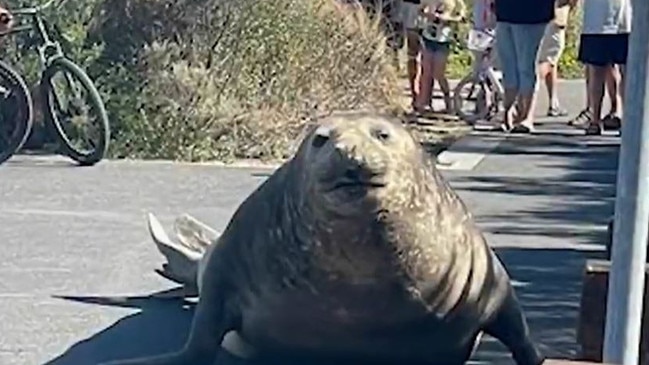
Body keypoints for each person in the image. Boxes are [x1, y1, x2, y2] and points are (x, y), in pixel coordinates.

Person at [493, 0, 555, 133]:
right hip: (504, 12)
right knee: (508, 68)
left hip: (532, 15)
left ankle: (527, 116)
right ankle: (508, 113)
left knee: (526, 66)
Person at [577, 0, 632, 135]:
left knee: (627, 71)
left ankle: (627, 120)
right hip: (596, 23)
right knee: (596, 71)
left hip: (625, 22)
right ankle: (595, 119)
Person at [413, 0, 466, 114]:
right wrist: (427, 15)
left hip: (443, 39)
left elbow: (461, 16)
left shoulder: (455, 2)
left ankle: (448, 101)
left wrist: (448, 20)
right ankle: (423, 103)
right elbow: (420, 10)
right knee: (426, 72)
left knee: (438, 73)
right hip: (428, 38)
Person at [536, 0, 572, 117]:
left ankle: (553, 102)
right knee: (548, 61)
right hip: (554, 16)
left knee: (551, 59)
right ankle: (524, 91)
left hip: (540, 16)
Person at [396, 0, 424, 108]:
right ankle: (415, 94)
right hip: (409, 9)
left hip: (429, 8)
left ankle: (424, 96)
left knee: (425, 58)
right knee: (412, 56)